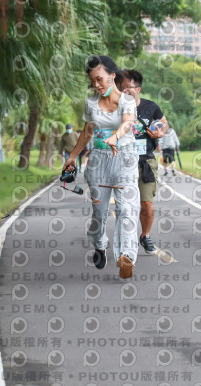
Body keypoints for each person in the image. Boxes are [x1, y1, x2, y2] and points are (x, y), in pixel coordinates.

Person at [64, 55, 140, 279]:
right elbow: (88, 132)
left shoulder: (127, 101)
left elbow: (127, 122)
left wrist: (115, 137)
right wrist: (72, 157)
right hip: (98, 161)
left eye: (100, 80)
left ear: (112, 76)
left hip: (125, 158)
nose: (96, 85)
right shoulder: (90, 103)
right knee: (99, 213)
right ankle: (99, 244)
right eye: (93, 81)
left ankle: (126, 255)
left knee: (126, 209)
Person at [119, 69, 168, 255]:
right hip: (122, 162)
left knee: (146, 204)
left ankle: (145, 236)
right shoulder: (117, 107)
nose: (124, 91)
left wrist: (160, 132)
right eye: (121, 88)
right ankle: (124, 242)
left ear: (138, 89)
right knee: (124, 206)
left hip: (145, 161)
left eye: (128, 88)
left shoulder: (151, 107)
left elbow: (164, 123)